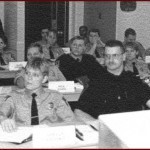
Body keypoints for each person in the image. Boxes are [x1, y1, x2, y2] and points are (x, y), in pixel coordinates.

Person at [75, 40, 150, 119]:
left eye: (115, 55)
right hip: (106, 128)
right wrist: (99, 125)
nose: (110, 60)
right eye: (107, 56)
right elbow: (78, 111)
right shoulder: (97, 83)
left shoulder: (134, 81)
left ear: (123, 56)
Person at [0, 57, 75, 132]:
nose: (29, 78)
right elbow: (2, 113)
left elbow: (70, 122)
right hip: (22, 139)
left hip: (48, 138)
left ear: (44, 79)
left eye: (35, 75)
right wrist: (3, 119)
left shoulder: (56, 97)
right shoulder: (14, 96)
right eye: (27, 73)